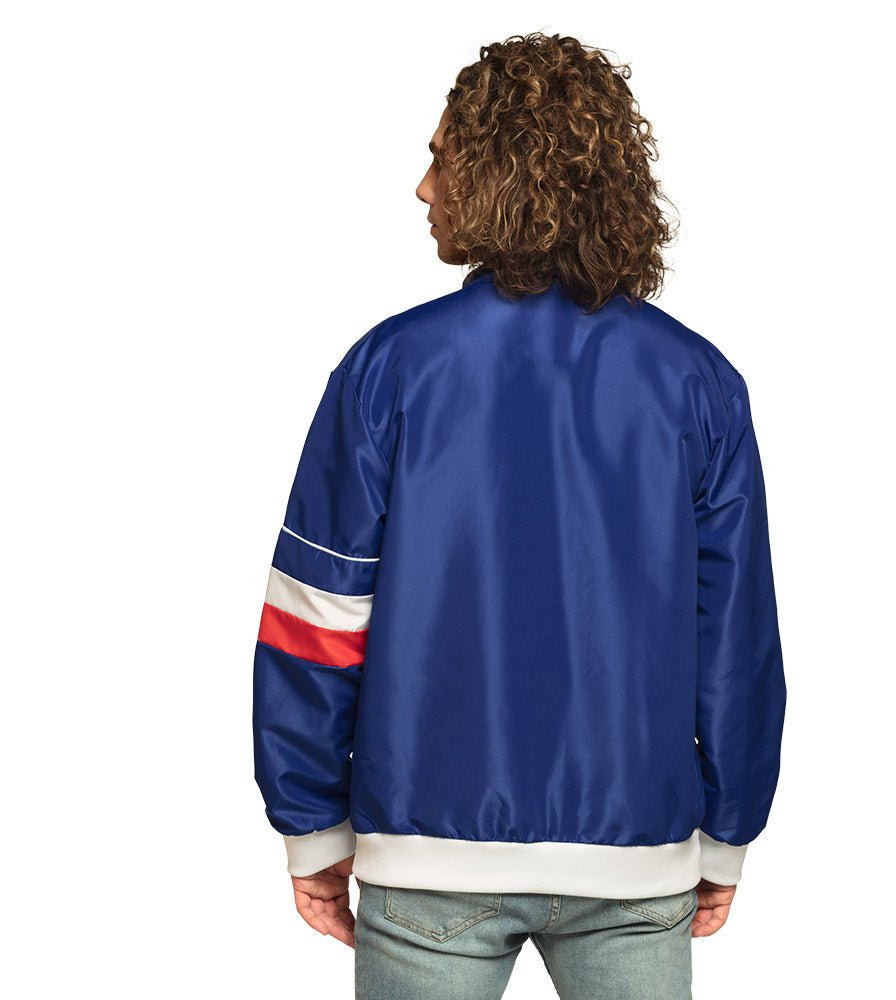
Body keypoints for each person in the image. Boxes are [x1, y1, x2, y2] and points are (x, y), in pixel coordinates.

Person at [251, 31, 786, 1000]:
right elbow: (735, 639)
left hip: (427, 852)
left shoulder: (387, 370)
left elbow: (318, 613)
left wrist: (312, 827)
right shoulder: (697, 382)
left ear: (499, 173)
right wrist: (729, 829)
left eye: (441, 158)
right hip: (637, 852)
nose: (422, 188)